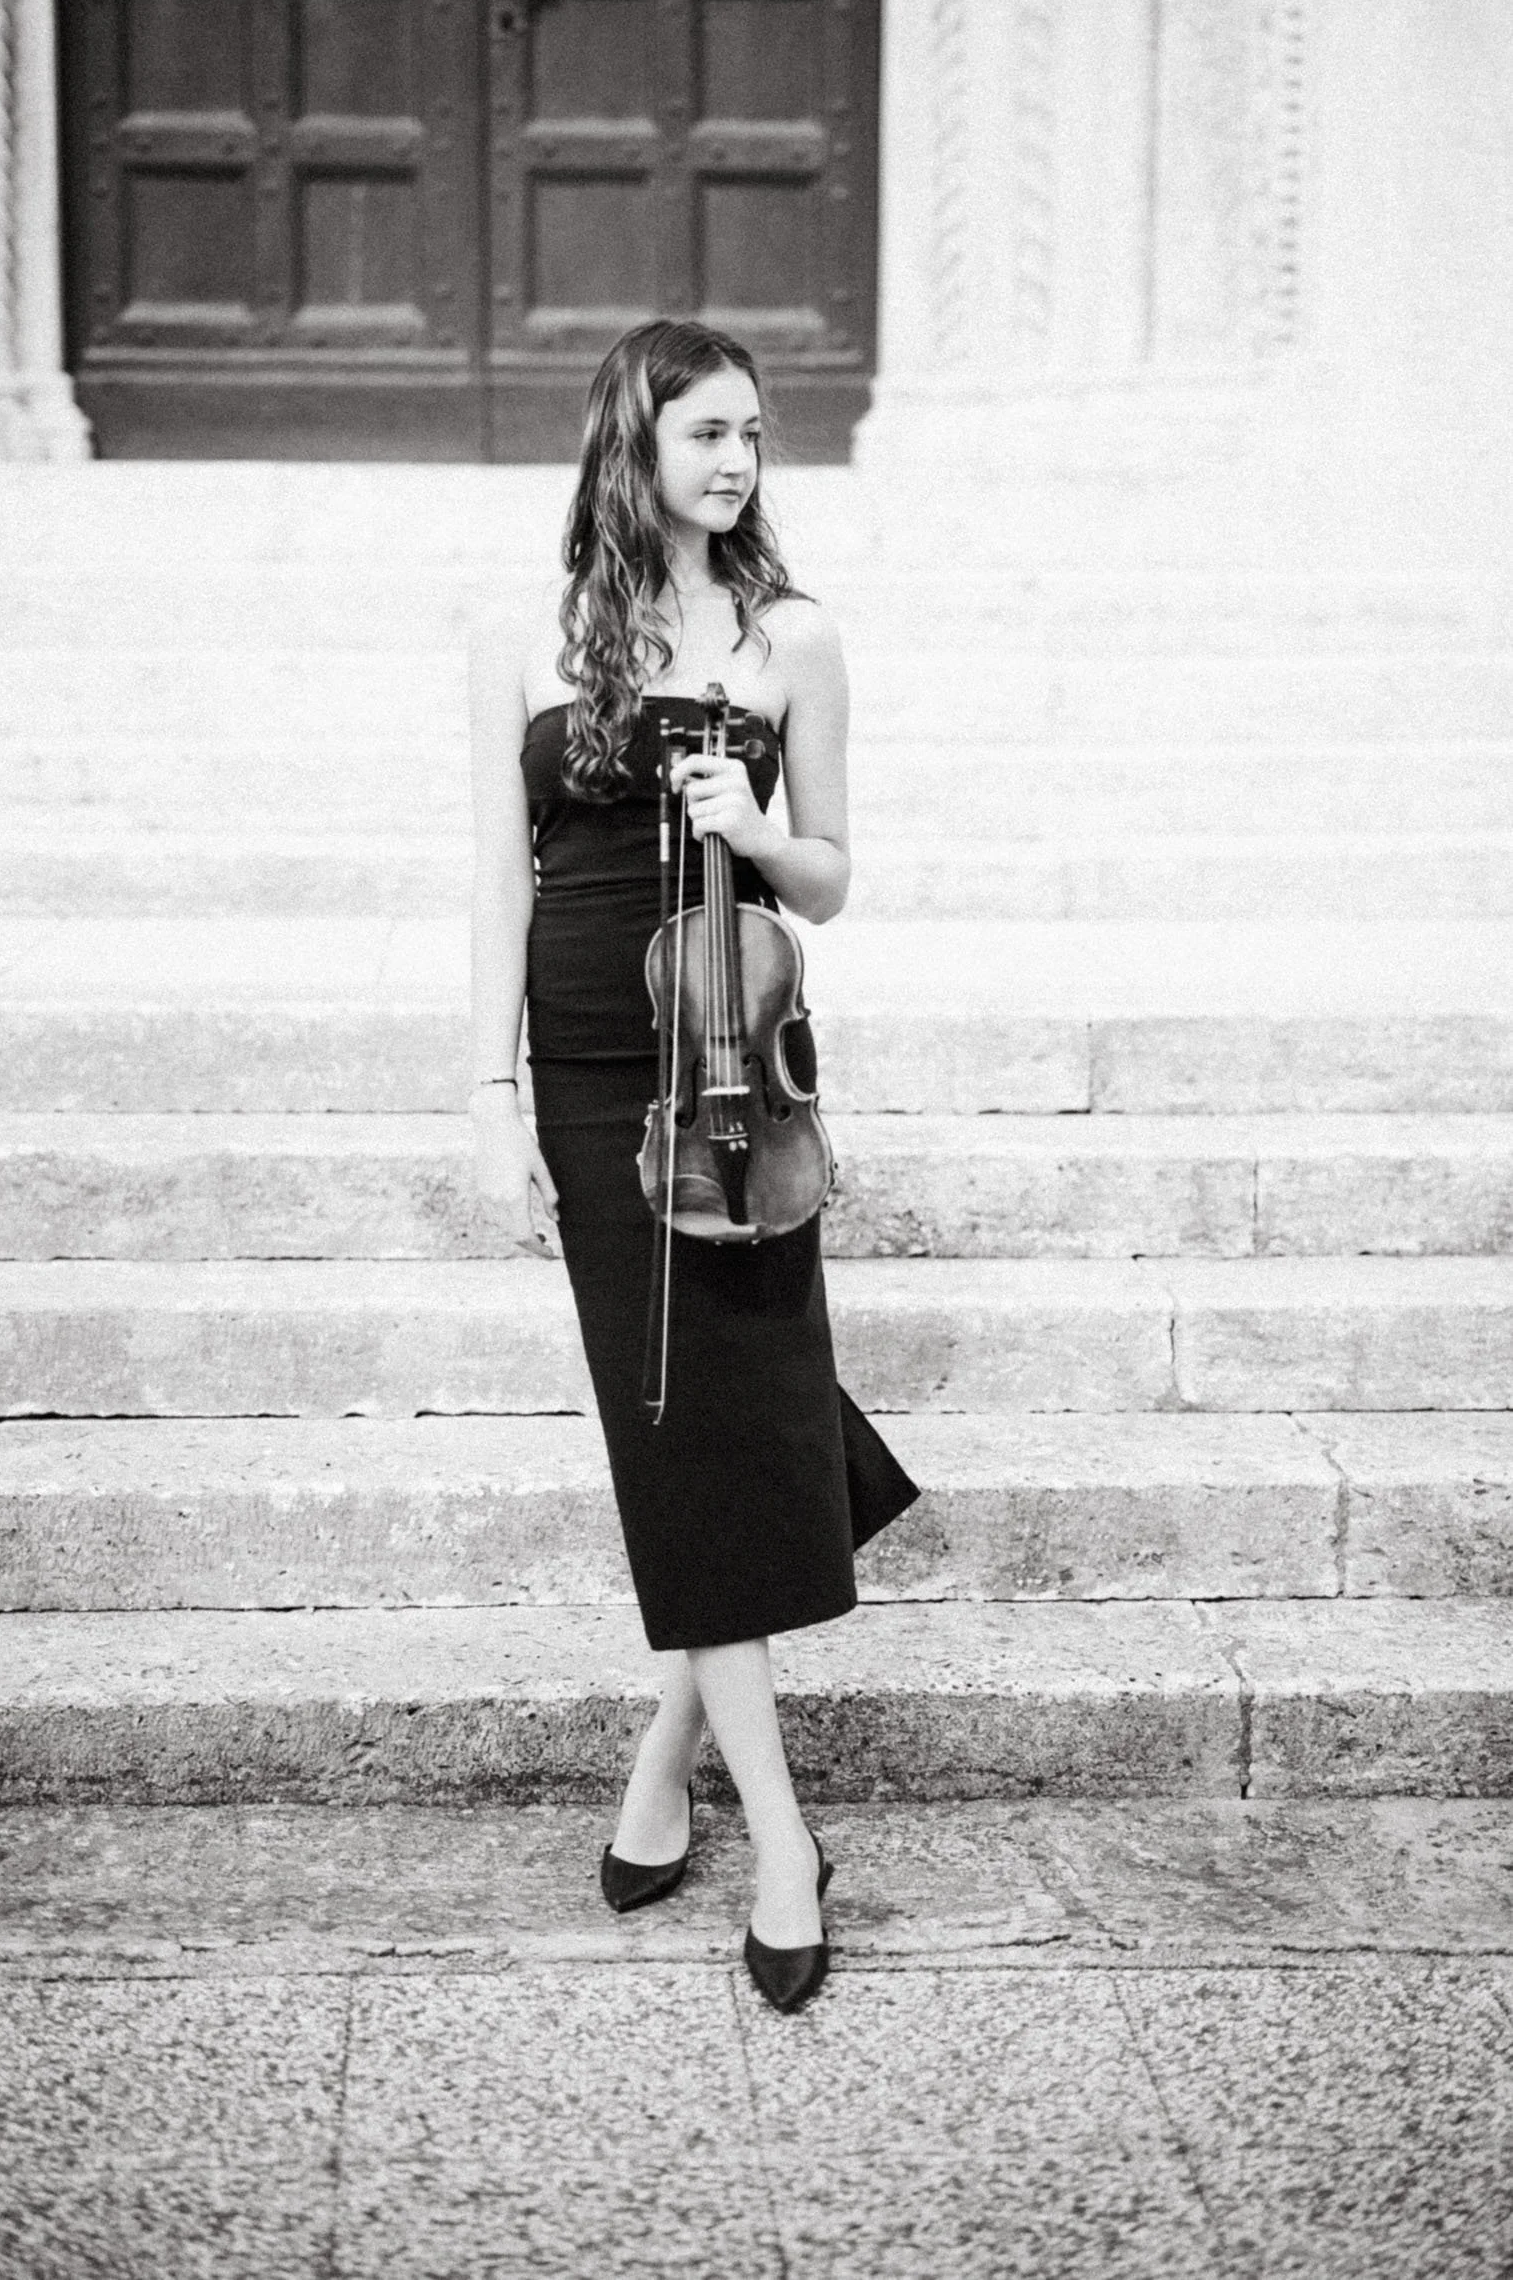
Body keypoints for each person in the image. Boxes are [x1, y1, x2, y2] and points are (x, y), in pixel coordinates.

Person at [468, 318, 917, 2013]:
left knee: (710, 1432)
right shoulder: (527, 638)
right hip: (592, 1082)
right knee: (688, 1430)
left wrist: (749, 831)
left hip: (729, 1073)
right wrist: (480, 1086)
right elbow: (493, 879)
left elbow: (830, 882)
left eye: (752, 433)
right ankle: (770, 1831)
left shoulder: (790, 637)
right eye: (705, 431)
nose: (736, 459)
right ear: (632, 444)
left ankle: (714, 1797)